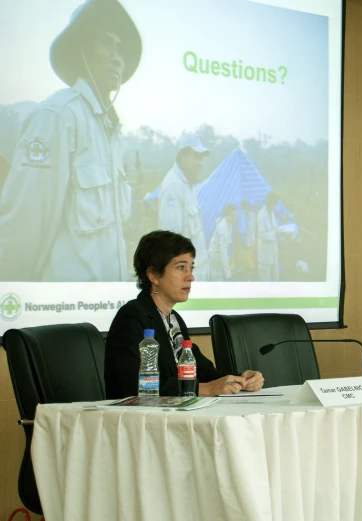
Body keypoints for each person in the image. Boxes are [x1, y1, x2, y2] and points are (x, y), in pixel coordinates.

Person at [0, 0, 140, 281]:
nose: (117, 57)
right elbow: (24, 230)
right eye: (106, 43)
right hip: (60, 311)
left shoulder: (111, 131)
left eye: (120, 49)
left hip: (103, 307)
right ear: (83, 50)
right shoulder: (57, 117)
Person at [105, 230, 264, 398]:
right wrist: (206, 389)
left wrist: (241, 380)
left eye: (191, 267)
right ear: (153, 275)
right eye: (181, 267)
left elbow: (202, 371)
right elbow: (136, 387)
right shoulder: (131, 317)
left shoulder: (173, 320)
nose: (191, 277)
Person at [158, 133, 211, 281]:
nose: (200, 163)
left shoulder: (188, 185)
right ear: (183, 155)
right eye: (196, 157)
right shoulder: (174, 187)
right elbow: (171, 244)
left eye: (201, 158)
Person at [208, 204, 237, 281]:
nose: (235, 218)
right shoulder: (223, 227)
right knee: (217, 279)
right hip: (215, 257)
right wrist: (228, 274)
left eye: (235, 215)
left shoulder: (228, 223)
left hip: (218, 257)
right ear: (227, 215)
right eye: (233, 215)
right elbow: (223, 251)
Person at [257, 191, 281, 281]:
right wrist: (275, 234)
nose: (275, 206)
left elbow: (273, 228)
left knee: (276, 279)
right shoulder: (261, 215)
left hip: (273, 253)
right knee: (265, 282)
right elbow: (263, 235)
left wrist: (279, 231)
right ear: (270, 203)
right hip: (265, 255)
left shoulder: (272, 213)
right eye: (274, 203)